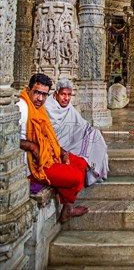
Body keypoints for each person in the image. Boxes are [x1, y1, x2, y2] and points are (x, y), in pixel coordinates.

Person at [17, 73, 89, 224]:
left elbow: (47, 136)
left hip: (47, 154)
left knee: (81, 163)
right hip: (34, 164)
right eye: (36, 92)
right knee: (75, 177)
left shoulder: (39, 107)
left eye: (44, 94)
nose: (40, 98)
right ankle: (68, 208)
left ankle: (68, 209)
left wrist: (62, 151)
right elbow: (6, 138)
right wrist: (31, 145)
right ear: (28, 90)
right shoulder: (22, 108)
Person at [45, 78, 109, 186]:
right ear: (56, 94)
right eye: (63, 94)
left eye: (69, 95)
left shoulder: (68, 108)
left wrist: (89, 130)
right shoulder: (48, 108)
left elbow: (81, 124)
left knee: (95, 135)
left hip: (72, 141)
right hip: (58, 146)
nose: (66, 98)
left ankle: (93, 172)